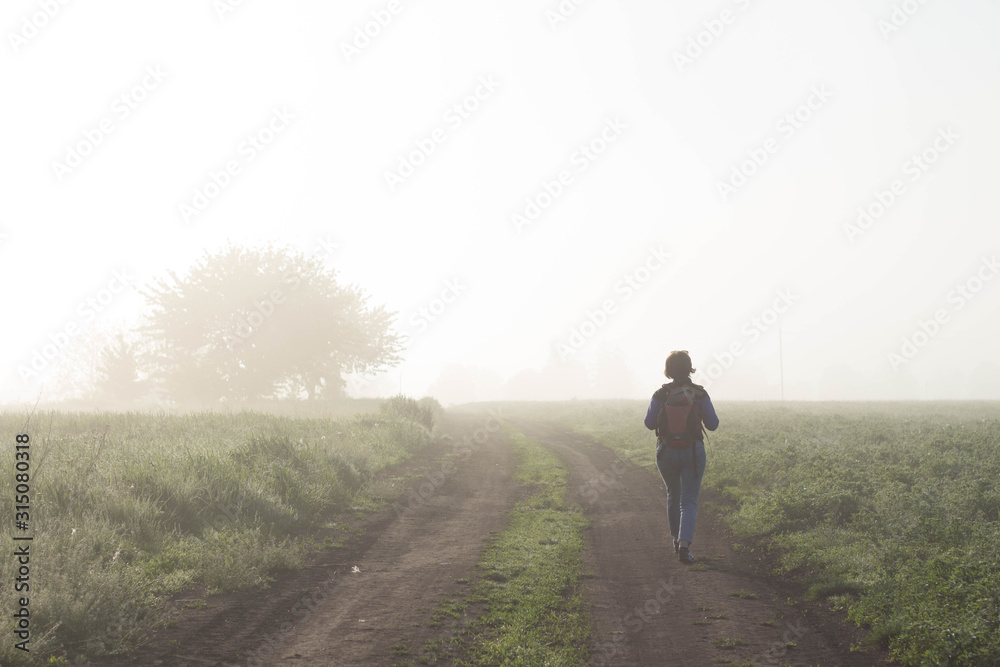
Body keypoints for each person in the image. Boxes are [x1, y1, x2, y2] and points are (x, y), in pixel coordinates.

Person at [644, 350, 719, 564]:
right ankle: (684, 548)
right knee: (689, 501)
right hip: (693, 452)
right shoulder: (699, 393)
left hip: (666, 451)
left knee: (672, 495)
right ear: (689, 368)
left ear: (668, 370)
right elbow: (713, 425)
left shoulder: (661, 394)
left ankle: (675, 539)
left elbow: (649, 424)